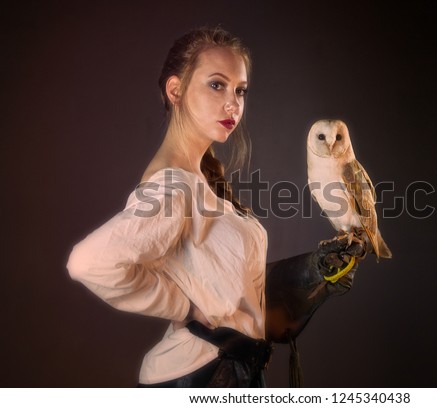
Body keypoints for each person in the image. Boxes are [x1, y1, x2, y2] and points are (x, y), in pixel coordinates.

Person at [66, 26, 365, 388]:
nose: (233, 103)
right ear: (175, 90)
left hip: (229, 373)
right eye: (216, 85)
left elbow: (226, 293)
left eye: (240, 90)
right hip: (203, 378)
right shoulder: (174, 187)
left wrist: (308, 275)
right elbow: (87, 262)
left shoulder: (199, 181)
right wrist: (183, 307)